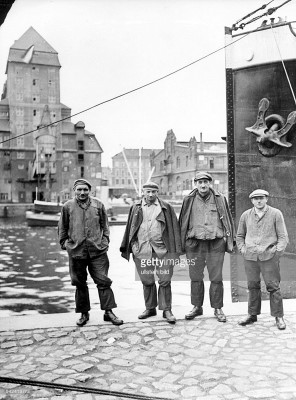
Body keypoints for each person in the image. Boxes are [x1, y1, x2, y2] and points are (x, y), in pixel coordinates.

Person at [58, 178, 123, 327]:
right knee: (79, 283)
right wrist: (65, 244)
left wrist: (105, 241)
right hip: (76, 251)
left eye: (85, 189)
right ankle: (83, 313)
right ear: (74, 190)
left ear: (90, 191)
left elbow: (105, 226)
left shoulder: (98, 205)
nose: (82, 192)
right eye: (79, 189)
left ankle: (108, 312)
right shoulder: (67, 207)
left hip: (97, 251)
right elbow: (62, 228)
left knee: (103, 280)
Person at [120, 181, 181, 324]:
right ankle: (150, 308)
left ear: (157, 193)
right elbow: (130, 229)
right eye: (148, 191)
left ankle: (166, 309)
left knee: (165, 280)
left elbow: (175, 230)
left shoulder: (166, 207)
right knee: (147, 281)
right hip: (142, 250)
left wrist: (175, 251)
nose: (151, 194)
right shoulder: (135, 208)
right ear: (143, 192)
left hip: (162, 251)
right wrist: (132, 247)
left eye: (153, 192)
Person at [179, 171, 235, 322]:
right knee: (195, 277)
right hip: (194, 243)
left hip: (215, 243)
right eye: (200, 182)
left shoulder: (220, 198)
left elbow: (228, 220)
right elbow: (182, 222)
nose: (203, 185)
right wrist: (182, 244)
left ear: (210, 183)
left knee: (216, 277)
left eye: (206, 182)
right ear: (195, 184)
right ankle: (197, 307)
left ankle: (217, 308)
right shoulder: (188, 199)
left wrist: (228, 240)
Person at [236, 189, 289, 330]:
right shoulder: (246, 215)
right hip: (250, 257)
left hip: (269, 257)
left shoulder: (275, 214)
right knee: (253, 286)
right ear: (252, 201)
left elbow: (283, 237)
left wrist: (276, 253)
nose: (258, 201)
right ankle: (252, 315)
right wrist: (242, 249)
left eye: (261, 198)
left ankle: (278, 317)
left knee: (273, 287)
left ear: (266, 199)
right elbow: (239, 236)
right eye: (255, 198)